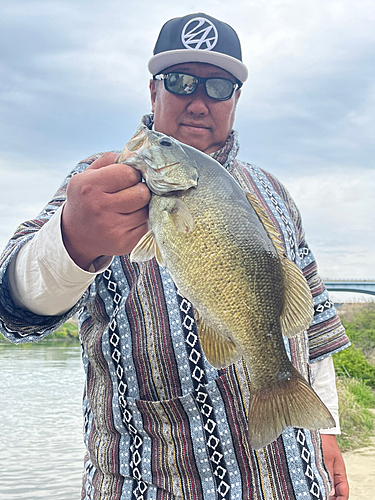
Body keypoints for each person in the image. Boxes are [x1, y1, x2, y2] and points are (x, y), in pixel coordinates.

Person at [0, 12, 350, 500]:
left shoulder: (273, 192)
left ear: (236, 99)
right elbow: (13, 307)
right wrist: (71, 240)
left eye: (219, 87)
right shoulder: (99, 181)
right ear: (153, 91)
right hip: (150, 484)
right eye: (181, 81)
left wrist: (326, 433)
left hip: (293, 479)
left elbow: (311, 321)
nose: (198, 101)